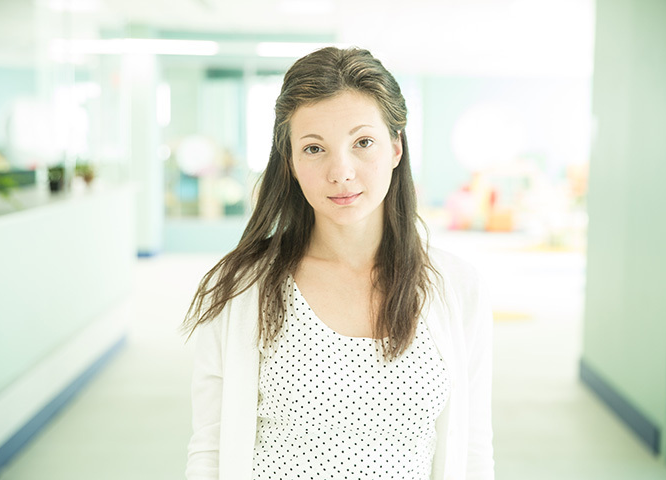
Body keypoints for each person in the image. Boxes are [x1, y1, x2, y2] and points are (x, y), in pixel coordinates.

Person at [183, 46, 494, 480]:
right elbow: (210, 452)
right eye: (314, 148)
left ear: (396, 147)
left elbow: (473, 450)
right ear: (291, 163)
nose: (341, 171)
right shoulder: (242, 287)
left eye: (363, 143)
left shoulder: (456, 287)